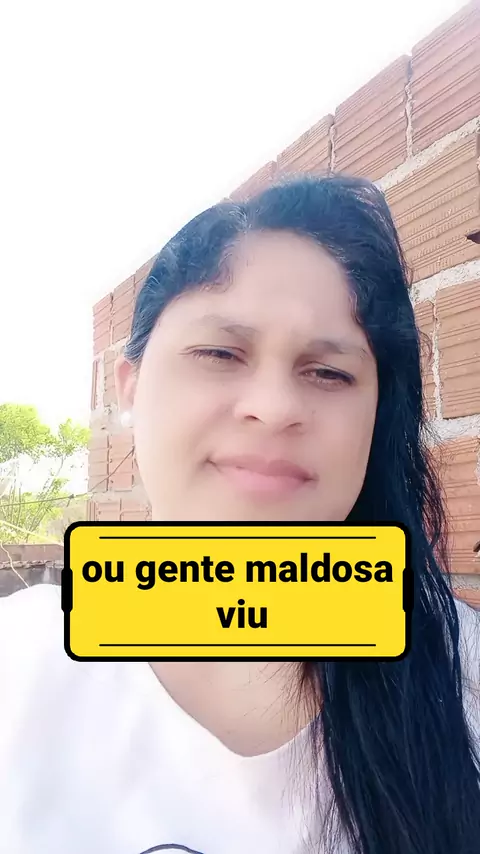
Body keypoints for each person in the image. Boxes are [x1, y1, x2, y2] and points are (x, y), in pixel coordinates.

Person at [0, 174, 479, 854]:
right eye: (221, 354)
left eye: (329, 372)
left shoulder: (463, 677)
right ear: (130, 387)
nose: (275, 407)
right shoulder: (18, 662)